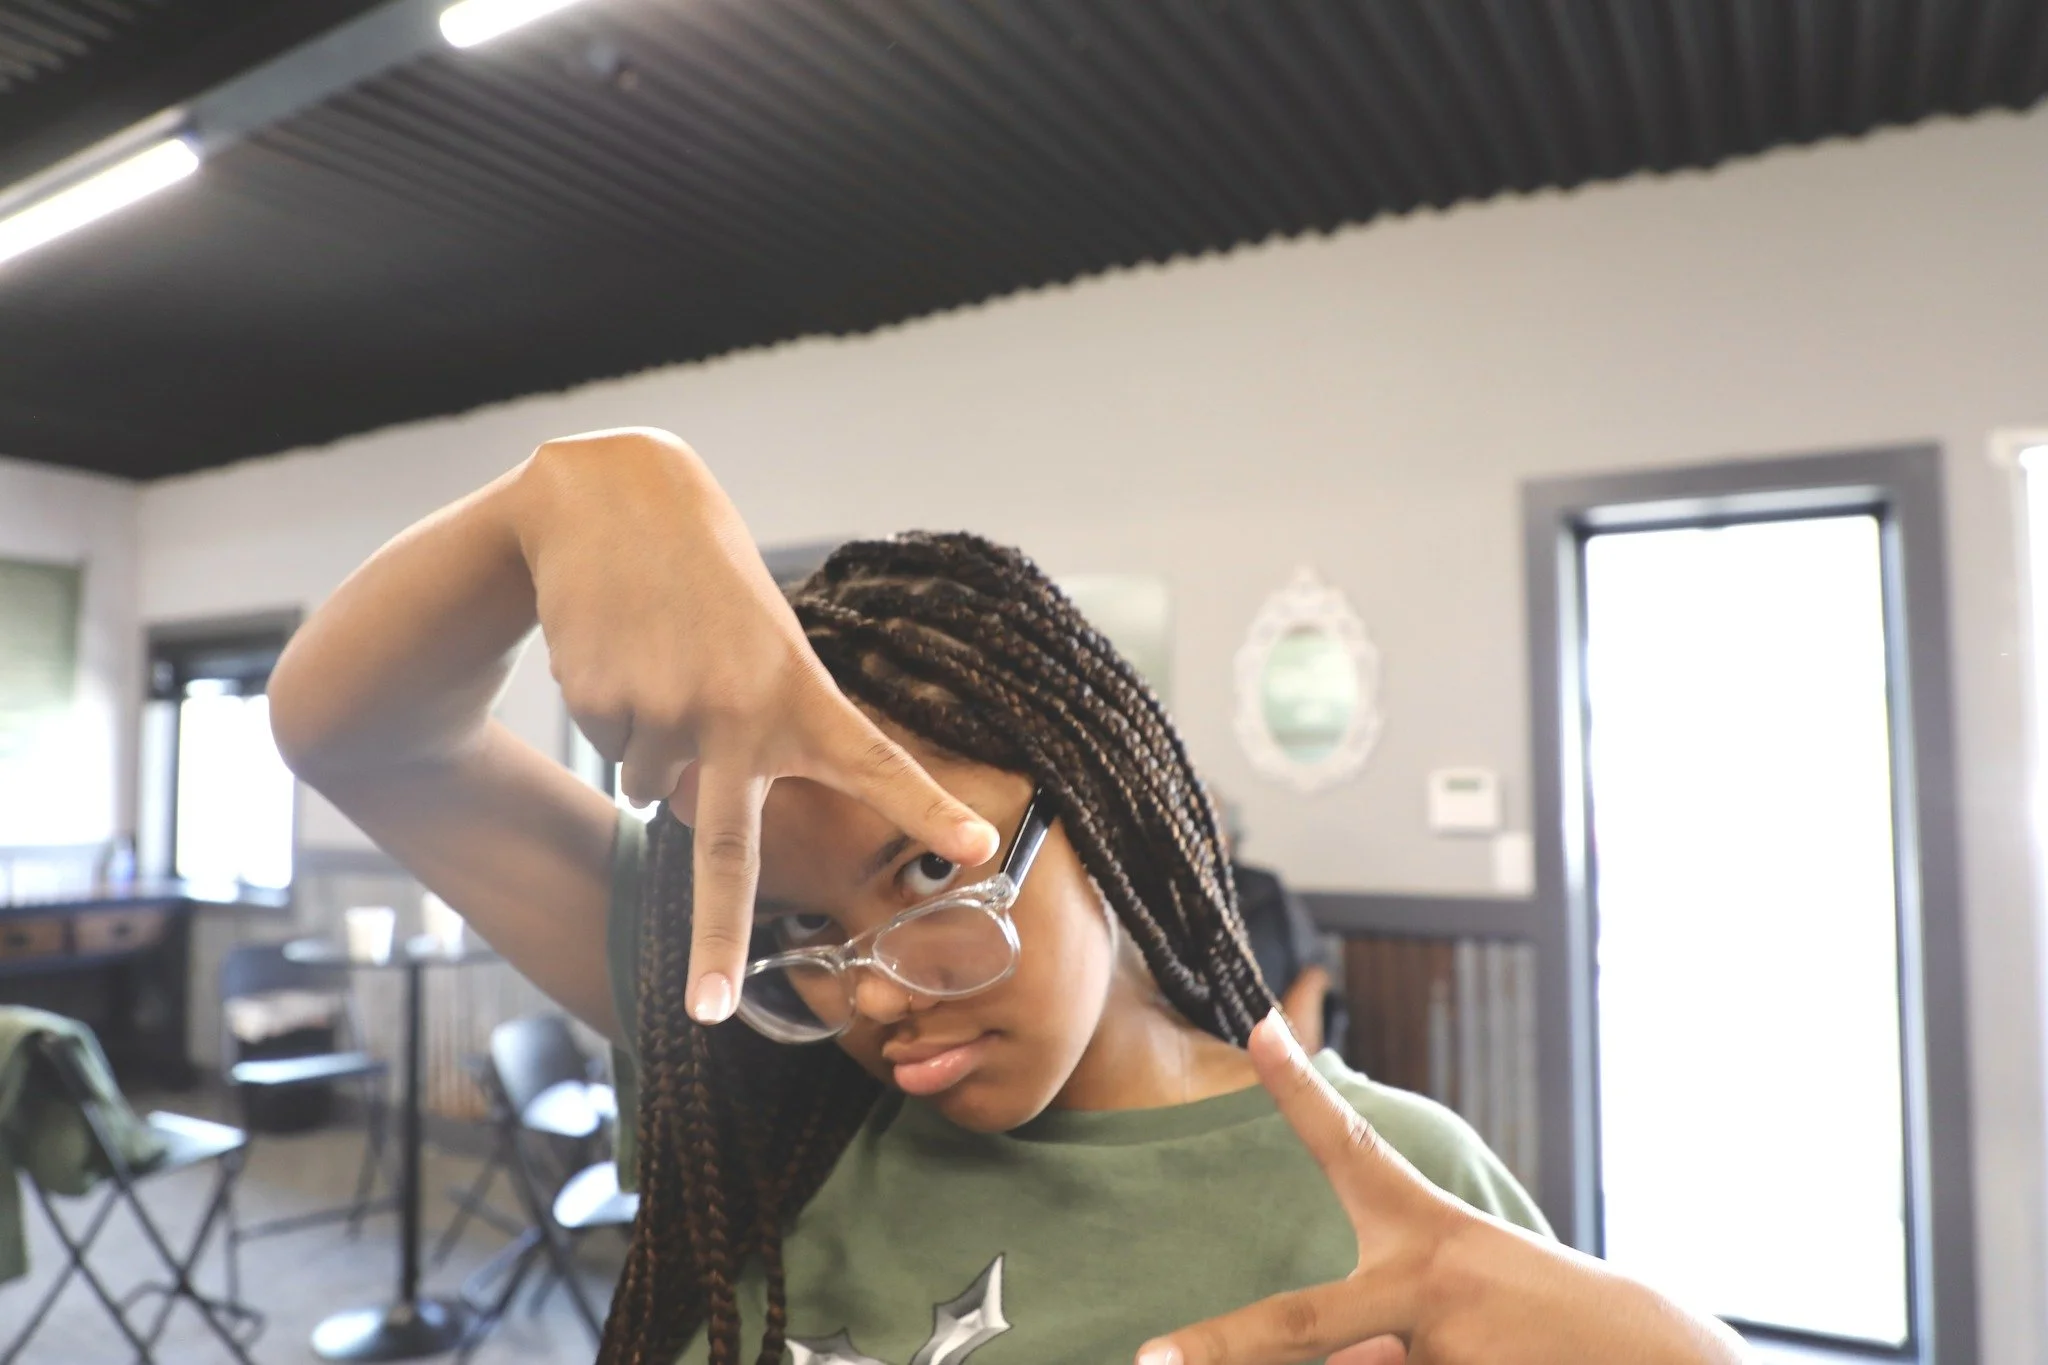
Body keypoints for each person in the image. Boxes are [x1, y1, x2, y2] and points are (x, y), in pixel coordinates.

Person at [268, 428, 1748, 1365]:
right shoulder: (754, 1061)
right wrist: (565, 497)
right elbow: (355, 731)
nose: (870, 992)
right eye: (803, 928)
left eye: (928, 869)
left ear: (1095, 819)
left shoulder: (1390, 1181)